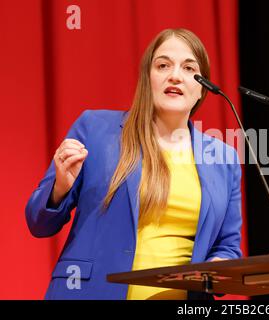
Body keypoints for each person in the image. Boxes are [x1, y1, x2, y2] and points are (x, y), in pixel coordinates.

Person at [25, 28, 243, 300]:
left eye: (189, 68)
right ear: (147, 78)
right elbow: (38, 223)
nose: (175, 75)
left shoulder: (223, 158)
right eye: (163, 65)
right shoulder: (94, 129)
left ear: (202, 88)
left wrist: (218, 267)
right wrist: (59, 187)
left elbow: (228, 246)